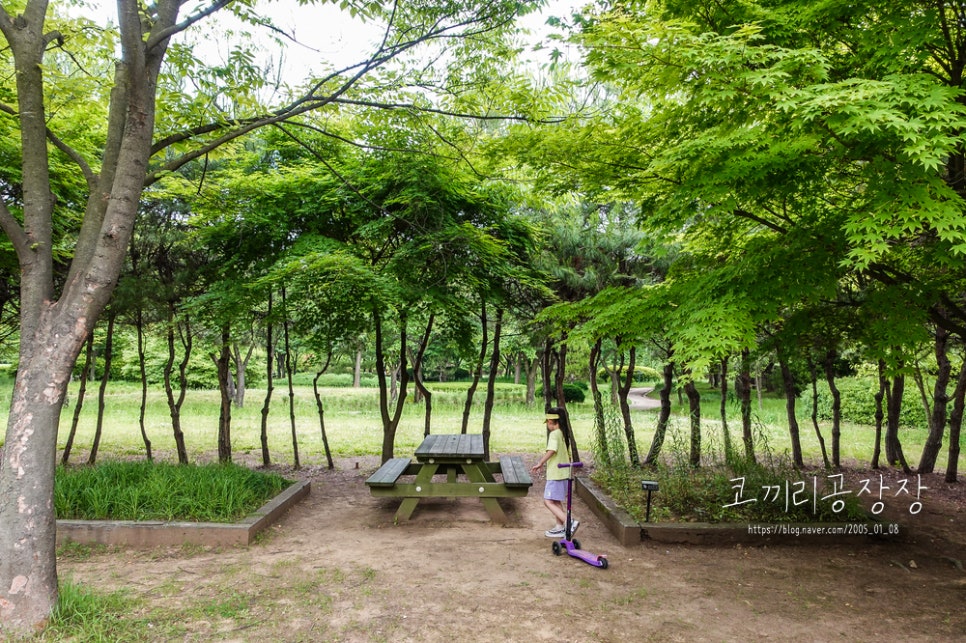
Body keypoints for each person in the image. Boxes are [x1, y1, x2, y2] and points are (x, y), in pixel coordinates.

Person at [530, 406, 579, 538]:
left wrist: (540, 463)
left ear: (554, 423)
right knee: (556, 501)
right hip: (563, 473)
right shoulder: (563, 433)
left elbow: (551, 450)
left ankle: (570, 522)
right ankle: (559, 527)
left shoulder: (554, 434)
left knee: (548, 501)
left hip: (556, 473)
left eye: (549, 423)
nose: (548, 426)